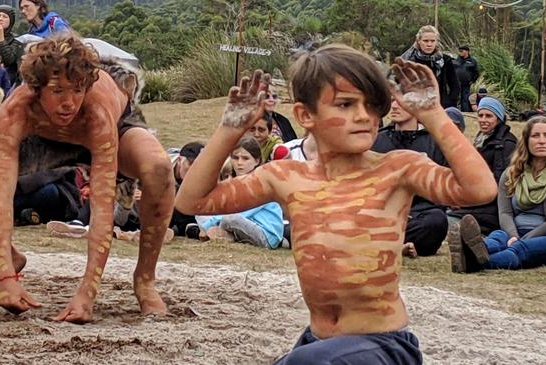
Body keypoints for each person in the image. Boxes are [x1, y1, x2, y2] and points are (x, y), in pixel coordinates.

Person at [176, 45, 498, 364]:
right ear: (305, 115)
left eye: (372, 106)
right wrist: (229, 129)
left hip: (383, 346)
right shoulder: (287, 176)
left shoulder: (397, 169)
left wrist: (432, 112)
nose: (363, 116)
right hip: (318, 341)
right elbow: (194, 200)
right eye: (345, 104)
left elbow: (480, 188)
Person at [0, 33, 173, 323]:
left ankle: (145, 280)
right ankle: (9, 259)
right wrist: (4, 272)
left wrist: (88, 292)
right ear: (37, 88)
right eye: (58, 90)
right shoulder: (17, 109)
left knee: (159, 167)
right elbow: (1, 193)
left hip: (111, 132)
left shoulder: (96, 110)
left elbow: (101, 207)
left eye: (76, 90)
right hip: (42, 135)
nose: (68, 102)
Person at [449, 116, 546, 272]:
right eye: (535, 136)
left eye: (545, 136)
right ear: (526, 142)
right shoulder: (511, 174)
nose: (541, 141)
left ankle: (473, 263)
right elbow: (505, 212)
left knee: (518, 250)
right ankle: (471, 248)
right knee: (496, 238)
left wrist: (521, 240)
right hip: (513, 231)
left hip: (540, 236)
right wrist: (513, 235)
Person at [372, 98, 448, 257]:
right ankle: (398, 245)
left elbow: (439, 193)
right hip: (383, 213)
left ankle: (390, 244)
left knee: (437, 221)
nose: (393, 105)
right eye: (392, 101)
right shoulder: (377, 140)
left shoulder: (433, 143)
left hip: (419, 214)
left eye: (400, 102)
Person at [197, 136, 285, 249]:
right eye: (235, 157)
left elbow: (242, 212)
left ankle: (219, 233)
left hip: (267, 235)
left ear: (257, 161)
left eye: (245, 158)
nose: (239, 163)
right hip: (244, 225)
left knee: (229, 218)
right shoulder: (234, 183)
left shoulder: (261, 184)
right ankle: (225, 235)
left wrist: (208, 225)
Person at [448, 97, 517, 233]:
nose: (483, 120)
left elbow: (500, 183)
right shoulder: (481, 141)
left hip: (488, 210)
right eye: (480, 115)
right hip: (474, 203)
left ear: (498, 118)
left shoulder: (505, 145)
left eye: (489, 116)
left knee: (445, 222)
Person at [401, 25, 459, 108]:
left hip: (440, 106)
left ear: (436, 42)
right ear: (419, 41)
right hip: (416, 106)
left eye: (432, 41)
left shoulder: (445, 60)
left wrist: (449, 103)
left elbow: (455, 85)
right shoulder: (410, 61)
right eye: (425, 41)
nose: (429, 44)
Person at [167, 141, 205, 236]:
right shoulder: (160, 168)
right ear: (180, 160)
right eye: (190, 165)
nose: (194, 172)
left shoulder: (206, 172)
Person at [0, 5, 24, 87]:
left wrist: (1, 38)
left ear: (11, 21)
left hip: (8, 82)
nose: (0, 19)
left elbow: (9, 60)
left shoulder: (17, 40)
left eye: (5, 16)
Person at [454, 46, 479, 112]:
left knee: (465, 98)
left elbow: (476, 72)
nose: (460, 52)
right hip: (456, 82)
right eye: (459, 51)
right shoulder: (456, 60)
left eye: (462, 51)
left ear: (467, 51)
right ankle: (453, 110)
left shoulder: (472, 61)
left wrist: (472, 81)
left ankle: (464, 111)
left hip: (466, 83)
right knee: (455, 97)